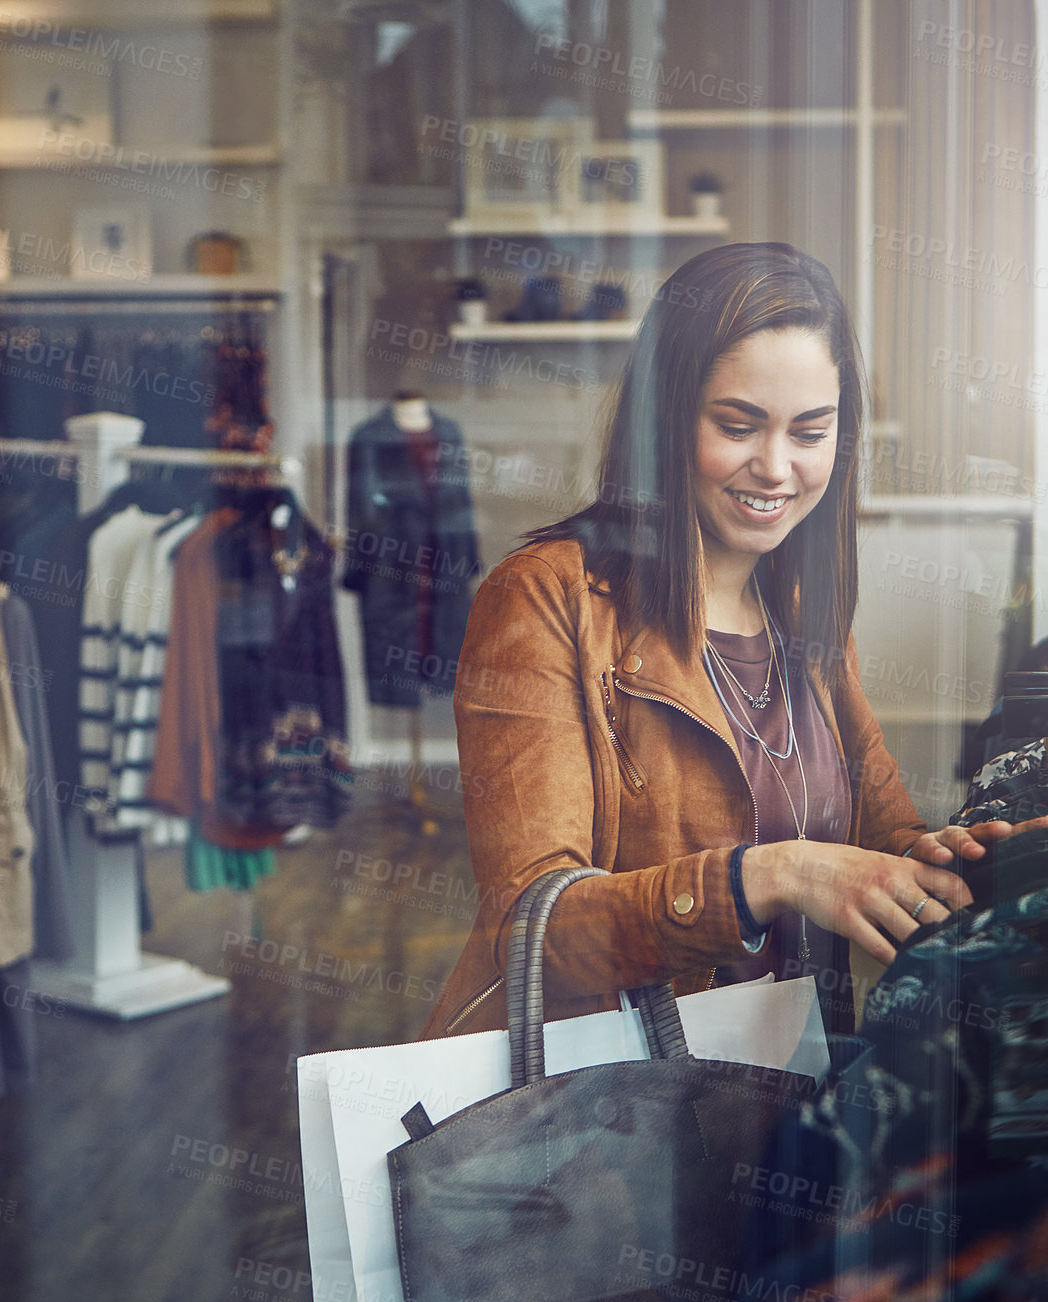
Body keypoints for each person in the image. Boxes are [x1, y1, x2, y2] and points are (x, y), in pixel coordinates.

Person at [423, 241, 1048, 1040]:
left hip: (791, 1089)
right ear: (666, 418)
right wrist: (776, 875)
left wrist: (970, 866)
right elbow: (535, 932)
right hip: (620, 1123)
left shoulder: (802, 607)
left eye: (810, 432)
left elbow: (879, 838)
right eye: (738, 425)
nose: (777, 467)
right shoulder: (547, 598)